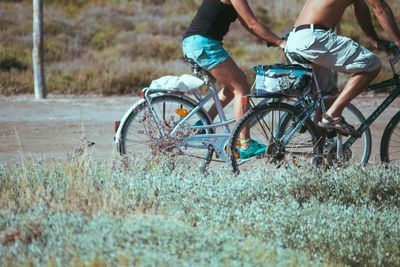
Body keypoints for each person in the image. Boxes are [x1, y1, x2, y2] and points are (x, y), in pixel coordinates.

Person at [182, 0, 285, 158]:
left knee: (237, 83)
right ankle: (245, 144)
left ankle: (205, 122)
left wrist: (270, 39)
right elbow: (251, 23)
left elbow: (246, 22)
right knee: (241, 89)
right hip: (204, 43)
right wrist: (280, 42)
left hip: (196, 42)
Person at [285, 0, 400, 137]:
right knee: (372, 64)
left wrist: (374, 39)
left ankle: (319, 155)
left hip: (296, 39)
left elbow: (360, 8)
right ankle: (333, 115)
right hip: (314, 38)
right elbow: (380, 8)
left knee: (327, 99)